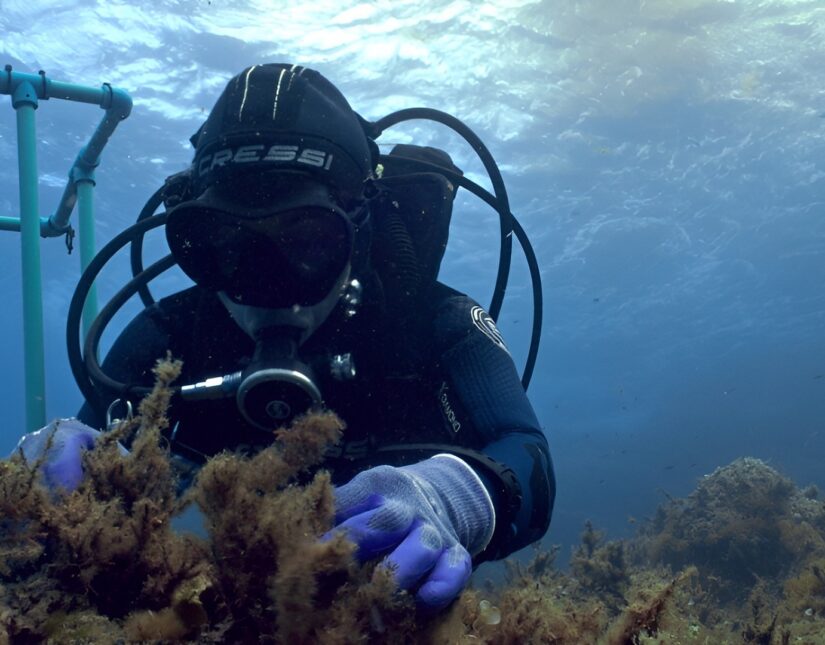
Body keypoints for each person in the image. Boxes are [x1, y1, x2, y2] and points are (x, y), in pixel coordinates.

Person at [15, 63, 555, 610]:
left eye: (308, 241)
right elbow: (84, 455)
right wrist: (47, 471)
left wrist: (458, 496)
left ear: (357, 232)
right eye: (228, 246)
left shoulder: (436, 323)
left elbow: (524, 447)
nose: (266, 288)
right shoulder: (169, 335)